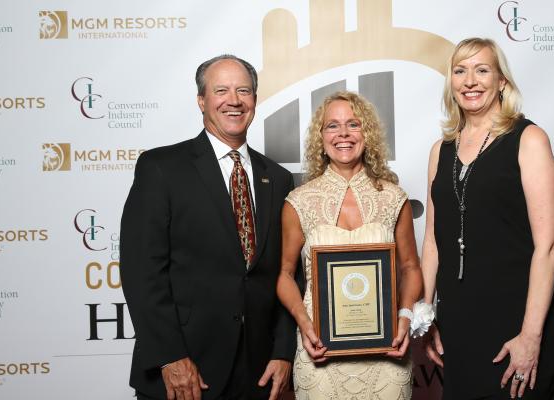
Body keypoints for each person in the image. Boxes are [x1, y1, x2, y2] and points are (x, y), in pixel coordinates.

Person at [120, 54, 296, 400]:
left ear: (255, 101)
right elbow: (142, 272)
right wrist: (171, 356)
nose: (234, 100)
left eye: (243, 90)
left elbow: (285, 273)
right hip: (185, 372)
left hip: (258, 373)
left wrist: (283, 351)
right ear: (202, 100)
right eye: (221, 90)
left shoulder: (277, 178)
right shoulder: (161, 168)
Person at [421, 37, 554, 399]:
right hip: (459, 321)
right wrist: (425, 318)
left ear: (502, 81)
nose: (470, 81)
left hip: (515, 318)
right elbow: (433, 243)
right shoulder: (441, 150)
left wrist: (531, 335)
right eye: (460, 71)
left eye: (482, 70)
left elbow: (547, 247)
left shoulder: (528, 139)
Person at [275, 91, 423, 399]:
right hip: (321, 352)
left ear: (366, 133)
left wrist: (405, 318)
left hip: (387, 355)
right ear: (321, 137)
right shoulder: (299, 201)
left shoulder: (394, 198)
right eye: (332, 126)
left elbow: (410, 267)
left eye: (353, 124)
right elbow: (285, 275)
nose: (343, 134)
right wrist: (305, 326)